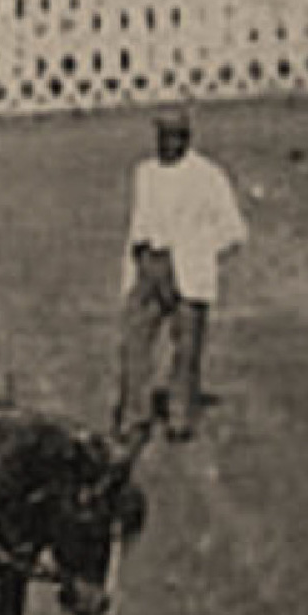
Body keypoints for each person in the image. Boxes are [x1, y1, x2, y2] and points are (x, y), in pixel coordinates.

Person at [115, 109, 248, 442]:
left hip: (188, 272)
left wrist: (196, 251)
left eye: (175, 136)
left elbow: (234, 231)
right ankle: (135, 416)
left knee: (186, 350)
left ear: (187, 138)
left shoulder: (207, 176)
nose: (168, 143)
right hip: (149, 266)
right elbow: (137, 224)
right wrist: (134, 270)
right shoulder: (145, 173)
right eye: (163, 136)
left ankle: (180, 417)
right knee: (135, 344)